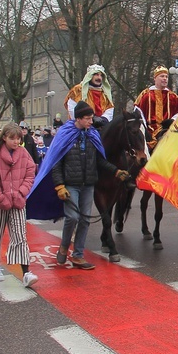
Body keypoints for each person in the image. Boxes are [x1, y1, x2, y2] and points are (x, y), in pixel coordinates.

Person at [50, 101, 130, 270]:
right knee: (72, 217)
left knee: (85, 219)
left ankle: (78, 255)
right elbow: (56, 162)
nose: (91, 122)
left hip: (88, 184)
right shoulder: (64, 134)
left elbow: (99, 160)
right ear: (78, 118)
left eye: (91, 118)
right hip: (70, 184)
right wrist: (59, 185)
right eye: (87, 118)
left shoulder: (93, 135)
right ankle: (64, 246)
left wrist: (116, 171)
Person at [0, 123, 38, 287]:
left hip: (18, 201)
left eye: (18, 138)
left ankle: (26, 272)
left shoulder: (23, 153)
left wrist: (21, 192)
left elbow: (30, 173)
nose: (16, 141)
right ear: (4, 137)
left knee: (20, 235)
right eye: (12, 138)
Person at [134, 65, 178, 149]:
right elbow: (138, 111)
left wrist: (172, 121)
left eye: (166, 77)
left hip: (167, 130)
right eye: (162, 76)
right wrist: (144, 128)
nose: (165, 78)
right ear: (155, 78)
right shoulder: (146, 95)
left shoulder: (173, 96)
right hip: (149, 130)